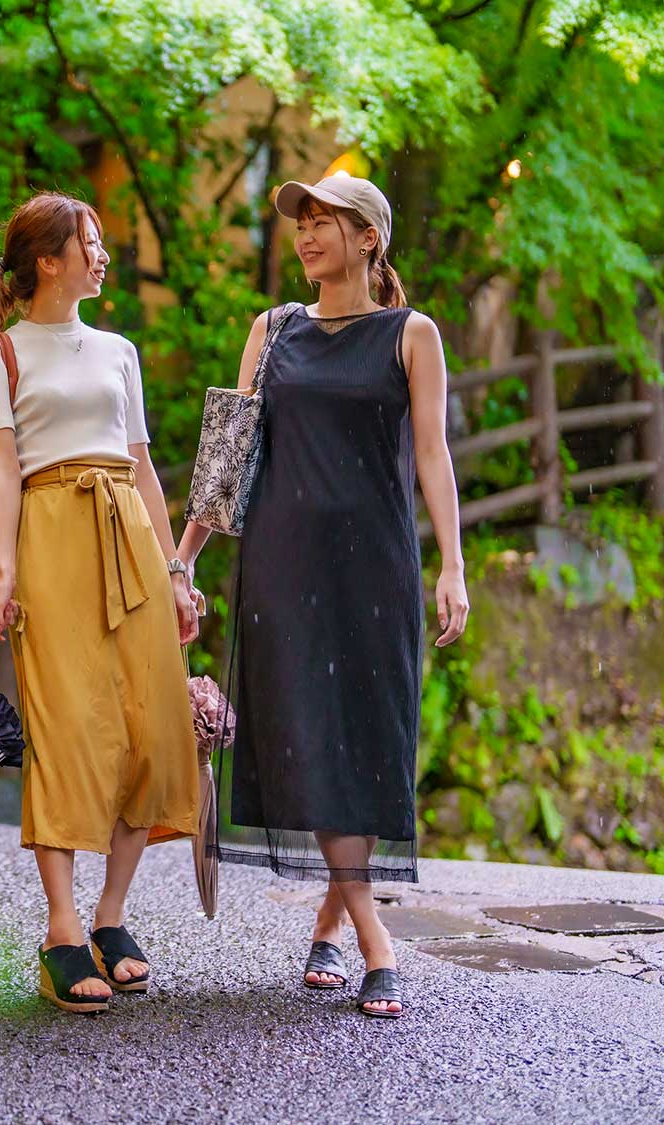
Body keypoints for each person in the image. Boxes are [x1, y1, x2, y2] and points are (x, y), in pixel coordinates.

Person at [175, 175, 469, 1020]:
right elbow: (230, 451)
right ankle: (375, 939)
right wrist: (184, 557)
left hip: (374, 565)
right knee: (310, 734)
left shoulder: (412, 334)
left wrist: (452, 566)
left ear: (368, 238)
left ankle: (331, 926)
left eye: (324, 222)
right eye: (301, 224)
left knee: (367, 743)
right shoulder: (270, 331)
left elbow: (433, 454)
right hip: (283, 564)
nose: (306, 236)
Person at [0, 191, 201, 1015]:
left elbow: (140, 465)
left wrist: (175, 570)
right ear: (48, 261)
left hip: (129, 535)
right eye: (91, 242)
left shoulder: (119, 350)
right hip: (49, 539)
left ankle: (111, 916)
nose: (104, 255)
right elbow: (2, 468)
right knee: (67, 728)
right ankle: (63, 930)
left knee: (151, 723)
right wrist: (4, 574)